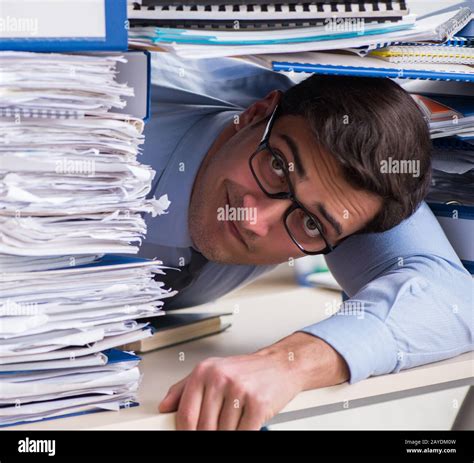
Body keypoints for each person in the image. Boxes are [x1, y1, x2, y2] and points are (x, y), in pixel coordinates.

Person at [138, 53, 473, 430]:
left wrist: (288, 362)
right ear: (254, 115)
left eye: (311, 224)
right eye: (278, 167)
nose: (253, 220)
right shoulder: (113, 114)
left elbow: (456, 299)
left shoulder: (350, 194)